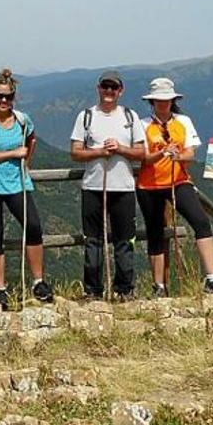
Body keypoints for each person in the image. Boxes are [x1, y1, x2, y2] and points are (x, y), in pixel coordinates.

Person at [136, 78, 213, 298]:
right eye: (159, 100)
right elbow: (143, 158)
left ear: (173, 100)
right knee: (155, 234)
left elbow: (190, 154)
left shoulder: (183, 121)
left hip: (178, 180)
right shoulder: (142, 124)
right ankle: (159, 287)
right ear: (152, 101)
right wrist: (161, 153)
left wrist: (178, 155)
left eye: (167, 99)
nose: (163, 103)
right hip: (150, 184)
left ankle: (212, 278)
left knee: (201, 222)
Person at [0, 68, 54, 309]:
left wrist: (26, 163)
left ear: (14, 97)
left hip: (16, 180)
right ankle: (1, 288)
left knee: (34, 226)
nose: (3, 101)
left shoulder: (22, 120)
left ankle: (38, 281)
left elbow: (32, 139)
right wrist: (15, 154)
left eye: (8, 96)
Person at [69, 70, 146, 301]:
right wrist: (101, 152)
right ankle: (93, 291)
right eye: (106, 87)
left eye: (114, 88)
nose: (109, 91)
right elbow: (75, 152)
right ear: (99, 88)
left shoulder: (130, 117)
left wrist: (120, 149)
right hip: (93, 187)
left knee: (125, 241)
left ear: (120, 91)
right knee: (93, 242)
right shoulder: (86, 117)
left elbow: (142, 152)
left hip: (123, 188)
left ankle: (124, 290)